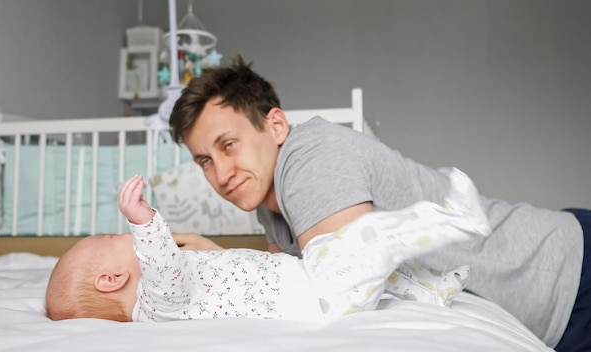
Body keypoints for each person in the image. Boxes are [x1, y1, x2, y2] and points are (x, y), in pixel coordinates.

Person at [168, 56, 590, 351]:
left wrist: (223, 263)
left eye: (229, 145)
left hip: (565, 273)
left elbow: (340, 291)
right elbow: (292, 285)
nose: (220, 174)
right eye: (205, 160)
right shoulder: (268, 203)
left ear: (275, 125)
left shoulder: (309, 156)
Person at [45, 170, 491, 322]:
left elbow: (225, 281)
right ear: (111, 279)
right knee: (365, 241)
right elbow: (166, 271)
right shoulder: (156, 303)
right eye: (107, 239)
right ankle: (454, 218)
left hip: (308, 280)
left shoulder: (175, 294)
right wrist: (144, 222)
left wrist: (205, 249)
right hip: (318, 298)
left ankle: (433, 291)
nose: (116, 234)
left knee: (374, 264)